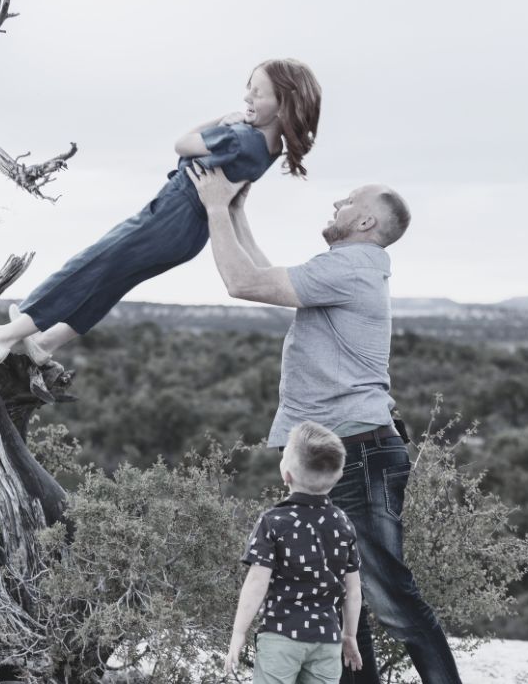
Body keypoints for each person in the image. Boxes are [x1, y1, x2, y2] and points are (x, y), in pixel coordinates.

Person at [189, 166, 463, 684]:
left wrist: (212, 207)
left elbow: (243, 282)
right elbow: (270, 275)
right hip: (357, 450)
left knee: (390, 600)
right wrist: (237, 210)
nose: (336, 203)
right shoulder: (354, 269)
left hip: (354, 456)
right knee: (348, 597)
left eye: (347, 200)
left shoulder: (350, 268)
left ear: (363, 220)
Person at [0, 58, 321, 364]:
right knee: (114, 280)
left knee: (91, 265)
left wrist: (220, 120)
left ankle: (6, 336)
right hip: (191, 234)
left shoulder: (240, 136)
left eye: (256, 92)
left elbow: (181, 143)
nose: (246, 97)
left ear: (283, 102)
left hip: (170, 214)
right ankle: (44, 343)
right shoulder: (271, 148)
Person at [226, 421, 363, 684]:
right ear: (338, 476)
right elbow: (353, 590)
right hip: (327, 639)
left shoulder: (273, 521)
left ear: (286, 474)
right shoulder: (343, 523)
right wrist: (349, 635)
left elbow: (256, 582)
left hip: (281, 635)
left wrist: (238, 632)